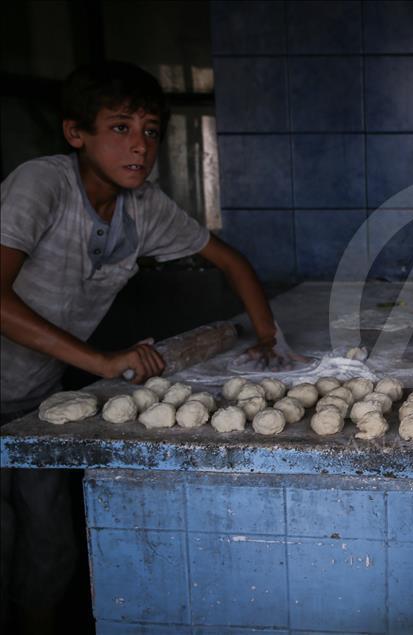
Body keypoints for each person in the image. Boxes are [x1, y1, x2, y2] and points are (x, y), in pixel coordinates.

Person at [0, 60, 283, 632]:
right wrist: (105, 361)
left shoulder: (143, 207)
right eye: (120, 127)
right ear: (75, 133)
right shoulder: (43, 186)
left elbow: (229, 261)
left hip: (33, 400)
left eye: (150, 131)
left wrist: (271, 339)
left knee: (49, 547)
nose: (140, 146)